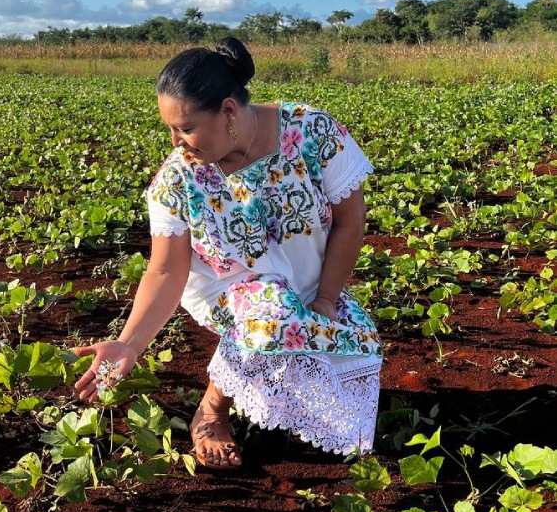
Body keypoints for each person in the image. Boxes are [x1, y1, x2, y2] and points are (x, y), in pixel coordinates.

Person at [72, 37, 383, 471]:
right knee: (274, 317)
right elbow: (165, 270)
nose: (176, 142)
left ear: (229, 111)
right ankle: (212, 408)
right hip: (229, 284)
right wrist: (129, 343)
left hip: (307, 278)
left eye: (185, 128)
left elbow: (350, 221)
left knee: (358, 353)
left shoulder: (311, 132)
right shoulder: (178, 179)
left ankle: (271, 380)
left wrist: (327, 299)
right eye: (170, 129)